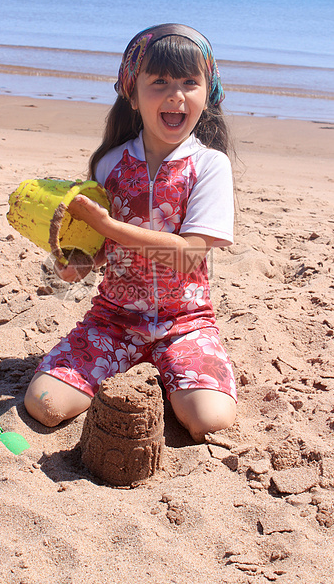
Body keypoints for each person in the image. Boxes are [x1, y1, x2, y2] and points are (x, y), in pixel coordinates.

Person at [24, 23, 237, 442]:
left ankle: (171, 373)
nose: (176, 94)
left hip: (185, 322)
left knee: (209, 420)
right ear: (133, 93)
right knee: (44, 404)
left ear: (207, 94)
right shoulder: (111, 165)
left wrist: (108, 225)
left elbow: (189, 253)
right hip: (114, 320)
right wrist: (72, 265)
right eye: (159, 82)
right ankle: (140, 367)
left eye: (190, 82)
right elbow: (100, 250)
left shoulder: (209, 166)